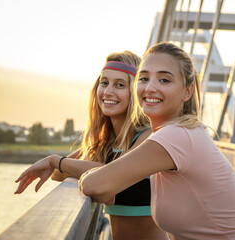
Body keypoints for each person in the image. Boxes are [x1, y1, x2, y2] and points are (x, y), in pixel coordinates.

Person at [78, 42, 235, 239]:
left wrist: (94, 177)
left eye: (164, 80)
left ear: (188, 91)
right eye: (144, 78)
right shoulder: (180, 133)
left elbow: (95, 185)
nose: (150, 87)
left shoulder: (176, 136)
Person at [14, 51, 167, 240]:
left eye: (119, 84)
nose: (108, 91)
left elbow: (109, 174)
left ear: (136, 92)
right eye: (104, 83)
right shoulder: (106, 142)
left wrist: (55, 160)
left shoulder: (149, 137)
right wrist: (57, 164)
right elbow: (58, 174)